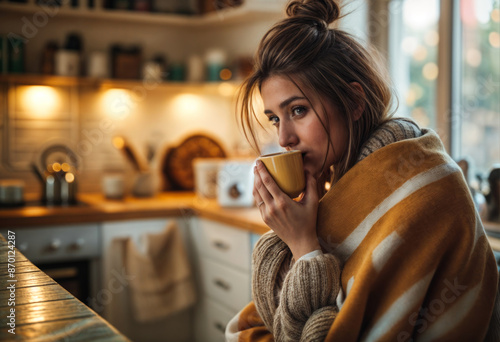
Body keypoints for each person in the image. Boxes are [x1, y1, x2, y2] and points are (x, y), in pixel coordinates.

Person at [225, 0, 500, 341]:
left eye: (298, 110)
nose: (284, 138)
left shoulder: (425, 189)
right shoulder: (341, 184)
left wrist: (303, 245)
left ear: (353, 102)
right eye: (275, 118)